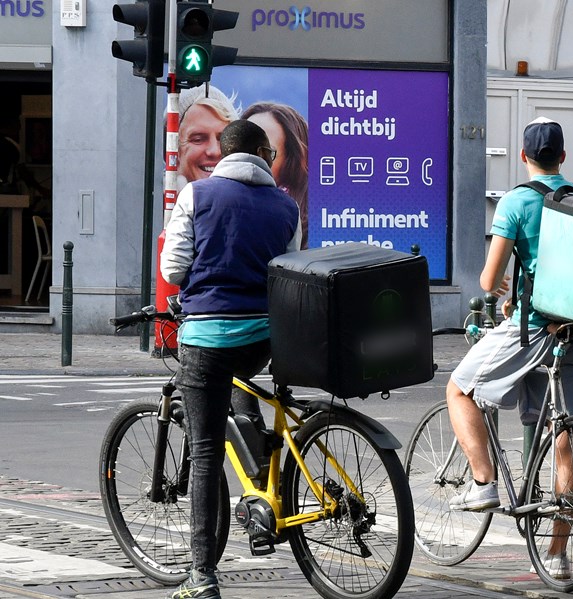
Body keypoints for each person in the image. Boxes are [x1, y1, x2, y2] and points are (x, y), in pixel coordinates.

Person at [445, 117, 573, 579]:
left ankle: (483, 484)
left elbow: (488, 280)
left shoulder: (517, 201)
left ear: (525, 158)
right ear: (564, 158)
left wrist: (505, 291)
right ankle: (558, 554)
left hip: (534, 328)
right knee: (563, 435)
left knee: (458, 390)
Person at [160, 120, 300, 599]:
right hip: (264, 337)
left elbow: (174, 268)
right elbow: (289, 269)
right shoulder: (286, 205)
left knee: (203, 451)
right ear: (264, 155)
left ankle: (201, 576)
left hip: (207, 336)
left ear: (223, 151)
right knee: (241, 383)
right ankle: (260, 485)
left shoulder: (197, 196)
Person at [241, 102, 310, 249]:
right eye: (242, 148)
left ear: (290, 164)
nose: (248, 158)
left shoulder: (311, 230)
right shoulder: (208, 202)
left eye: (264, 152)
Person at [177, 84, 240, 189]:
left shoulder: (256, 204)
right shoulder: (148, 202)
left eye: (224, 139)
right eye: (198, 139)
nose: (214, 151)